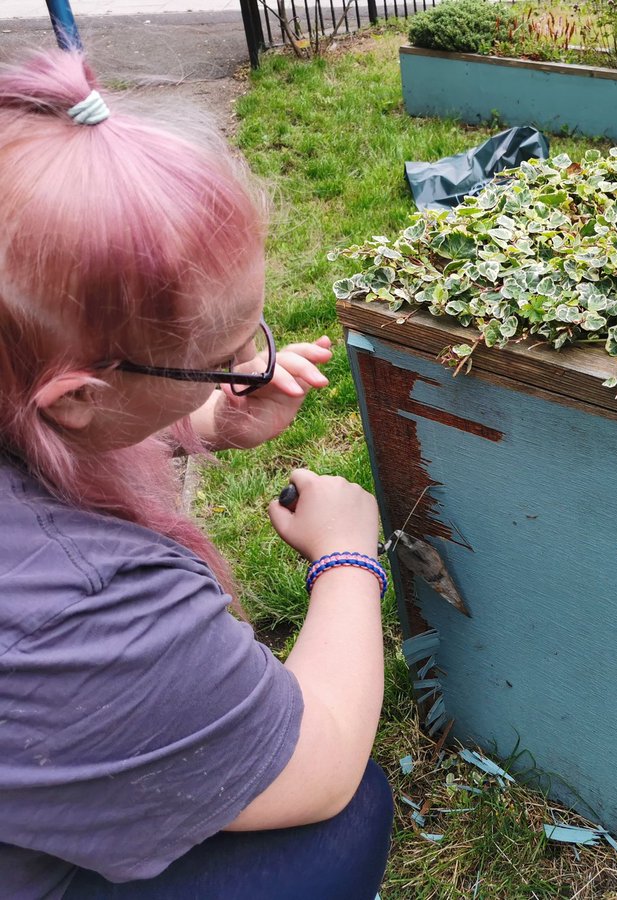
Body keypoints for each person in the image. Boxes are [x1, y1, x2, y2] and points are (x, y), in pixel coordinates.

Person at [0, 50, 394, 898]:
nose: (256, 368)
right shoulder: (75, 604)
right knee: (341, 823)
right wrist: (349, 555)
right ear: (74, 397)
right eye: (221, 362)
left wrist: (196, 420)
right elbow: (317, 762)